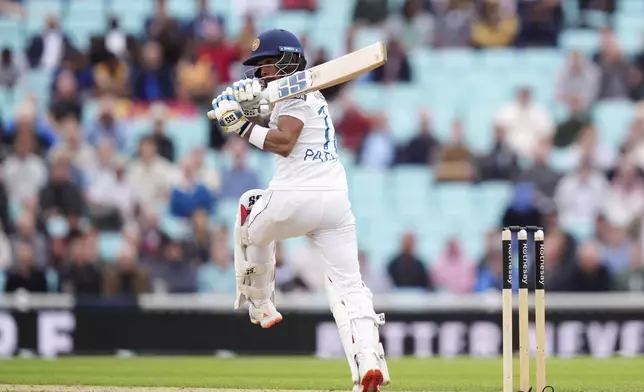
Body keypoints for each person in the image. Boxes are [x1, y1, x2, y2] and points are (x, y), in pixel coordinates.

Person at [208, 29, 390, 392]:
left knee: (248, 208)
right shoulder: (307, 97)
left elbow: (285, 142)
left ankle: (260, 303)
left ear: (289, 61)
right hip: (336, 202)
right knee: (349, 286)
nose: (260, 74)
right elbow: (280, 123)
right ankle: (369, 363)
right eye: (256, 67)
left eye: (265, 65)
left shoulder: (295, 96)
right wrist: (254, 112)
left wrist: (243, 127)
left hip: (295, 197)